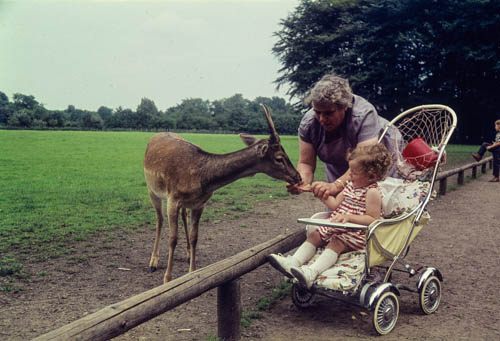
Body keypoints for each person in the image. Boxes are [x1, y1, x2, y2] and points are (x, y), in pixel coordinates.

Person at [269, 143, 392, 289]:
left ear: (371, 176)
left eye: (354, 172)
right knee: (314, 235)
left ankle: (311, 272)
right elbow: (334, 205)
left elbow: (372, 219)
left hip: (356, 234)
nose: (349, 176)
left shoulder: (372, 193)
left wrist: (349, 217)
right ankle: (293, 262)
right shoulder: (350, 187)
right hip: (339, 227)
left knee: (336, 242)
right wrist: (320, 193)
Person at [287, 74, 402, 201]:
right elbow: (306, 163)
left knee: (377, 202)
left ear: (345, 106)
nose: (322, 119)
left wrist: (336, 185)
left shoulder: (364, 115)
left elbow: (364, 164)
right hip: (340, 159)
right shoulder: (308, 124)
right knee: (339, 208)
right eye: (317, 112)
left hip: (377, 155)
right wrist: (301, 181)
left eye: (328, 113)